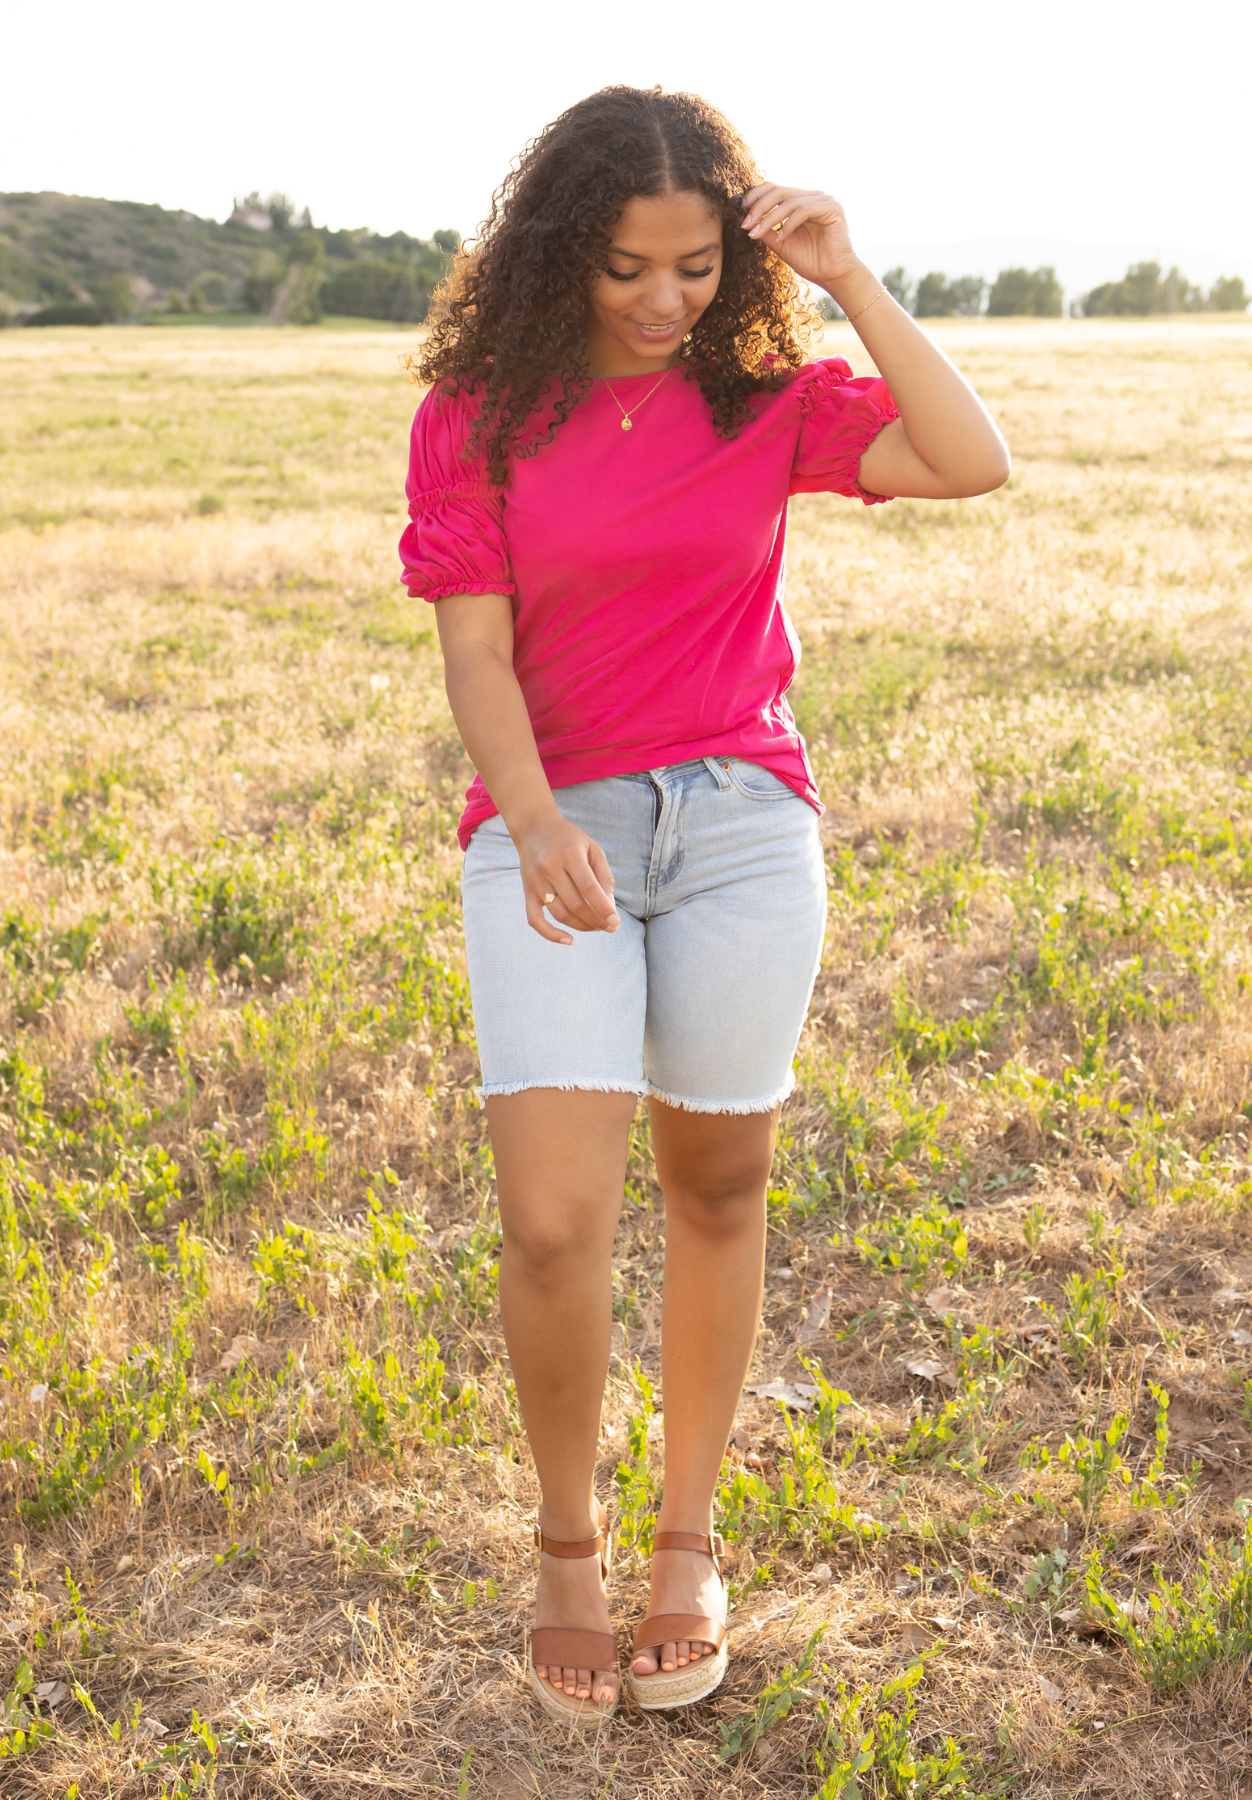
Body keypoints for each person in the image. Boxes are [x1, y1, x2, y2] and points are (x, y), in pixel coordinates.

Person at [400, 85, 1009, 1723]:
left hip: (742, 821)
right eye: (624, 268)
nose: (662, 301)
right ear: (556, 256)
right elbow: (472, 643)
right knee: (551, 1220)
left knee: (719, 1181)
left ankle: (685, 1547)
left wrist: (850, 278)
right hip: (555, 824)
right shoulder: (480, 410)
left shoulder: (770, 396)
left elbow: (971, 460)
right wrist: (529, 823)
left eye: (691, 268)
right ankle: (563, 1552)